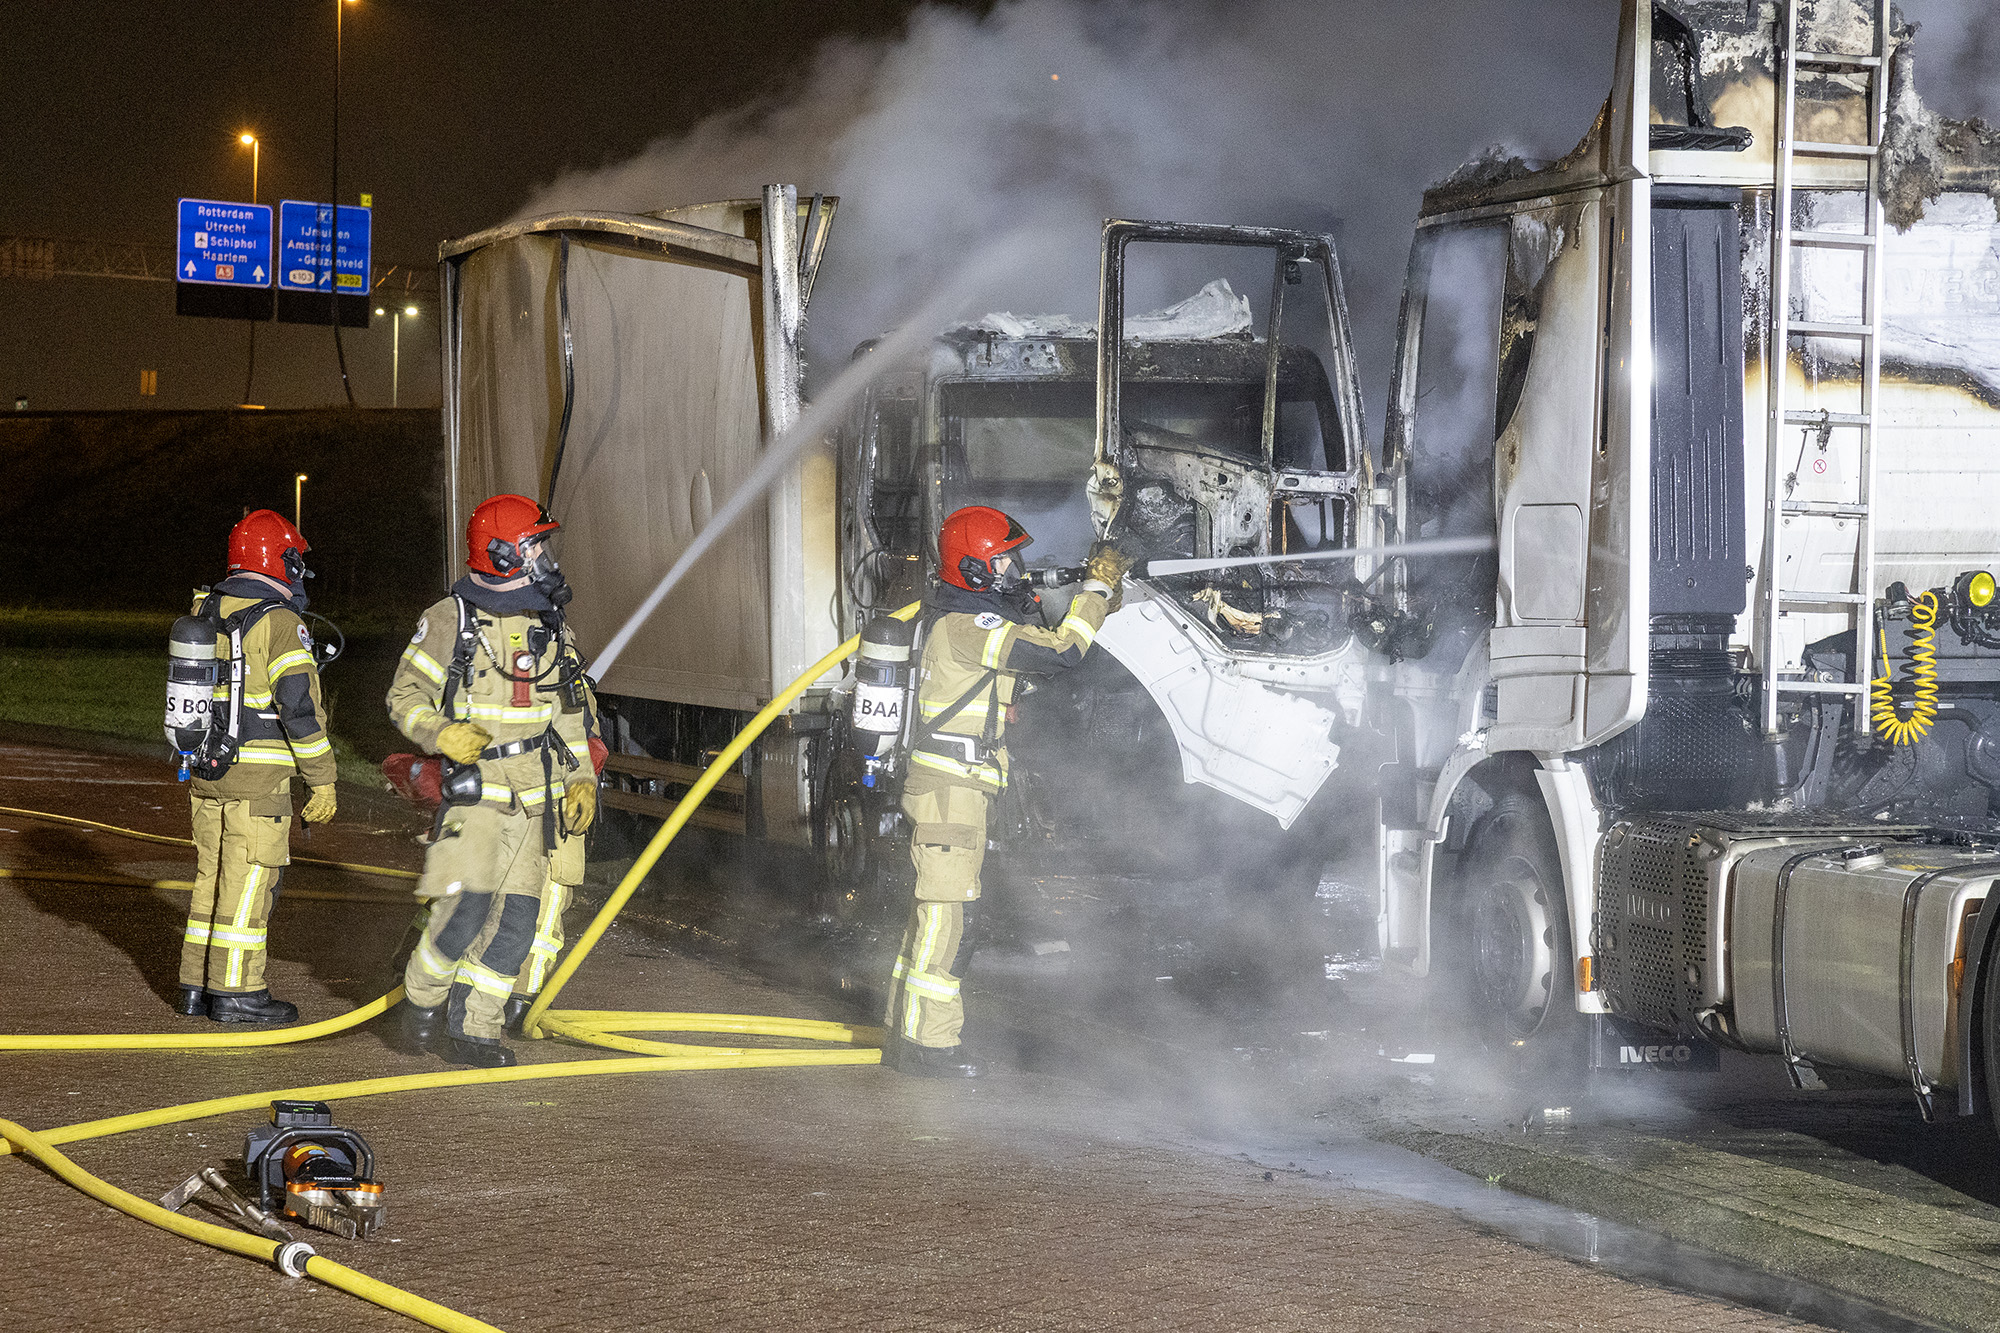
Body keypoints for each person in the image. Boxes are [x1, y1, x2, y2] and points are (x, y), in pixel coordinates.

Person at [881, 506, 1131, 1077]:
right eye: (1005, 561)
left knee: (933, 921)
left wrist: (1098, 597)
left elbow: (1039, 643)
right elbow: (1061, 652)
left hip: (957, 788)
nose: (1016, 570)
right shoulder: (967, 627)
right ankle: (928, 1048)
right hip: (950, 791)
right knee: (948, 922)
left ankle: (905, 1032)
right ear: (974, 568)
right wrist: (1095, 590)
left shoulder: (965, 618)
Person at [387, 494, 596, 1067]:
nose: (546, 559)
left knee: (516, 926)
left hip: (533, 804)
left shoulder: (551, 625)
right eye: (535, 547)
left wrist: (581, 778)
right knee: (464, 913)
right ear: (503, 554)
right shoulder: (449, 620)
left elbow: (569, 716)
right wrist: (439, 733)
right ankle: (422, 1003)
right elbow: (403, 697)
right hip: (475, 796)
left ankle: (476, 1031)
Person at [178, 510, 338, 1022]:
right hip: (259, 786)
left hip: (206, 773)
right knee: (247, 888)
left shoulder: (205, 609)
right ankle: (237, 993)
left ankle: (195, 986)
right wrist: (323, 780)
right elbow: (299, 709)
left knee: (210, 881)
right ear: (281, 561)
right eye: (296, 562)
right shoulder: (280, 622)